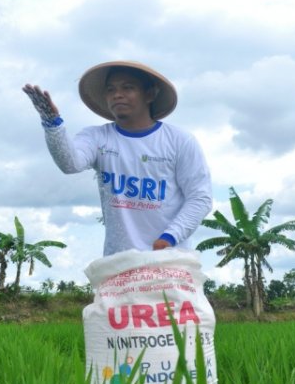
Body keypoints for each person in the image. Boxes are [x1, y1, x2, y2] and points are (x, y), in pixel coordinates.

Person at [23, 61, 212, 256]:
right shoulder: (97, 138)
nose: (117, 94)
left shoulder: (179, 141)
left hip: (169, 260)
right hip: (117, 262)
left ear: (150, 94)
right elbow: (70, 164)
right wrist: (52, 123)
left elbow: (200, 197)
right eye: (111, 89)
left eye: (128, 88)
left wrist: (169, 237)